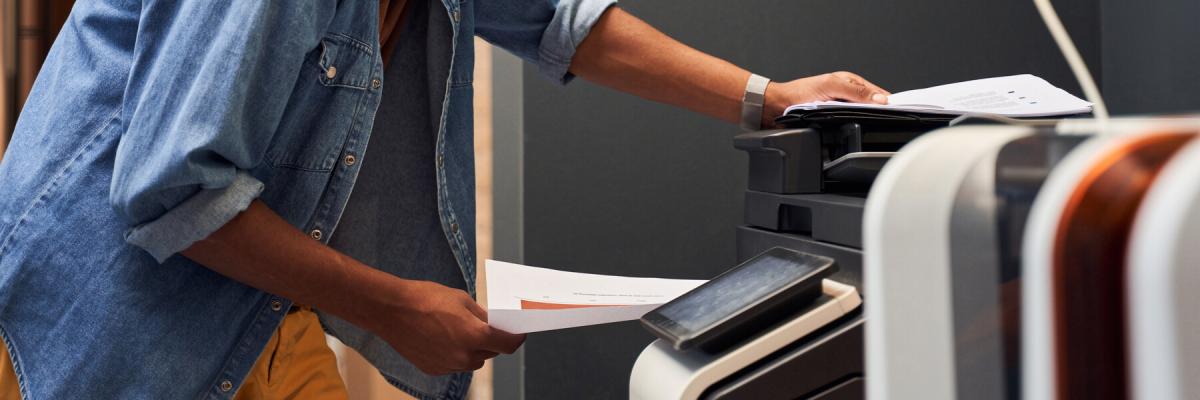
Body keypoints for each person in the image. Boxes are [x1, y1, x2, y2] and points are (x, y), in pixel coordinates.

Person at [0, 1, 889, 398]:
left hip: (250, 309)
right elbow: (172, 192)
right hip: (93, 331)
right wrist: (396, 307)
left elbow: (560, 22)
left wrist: (769, 96)